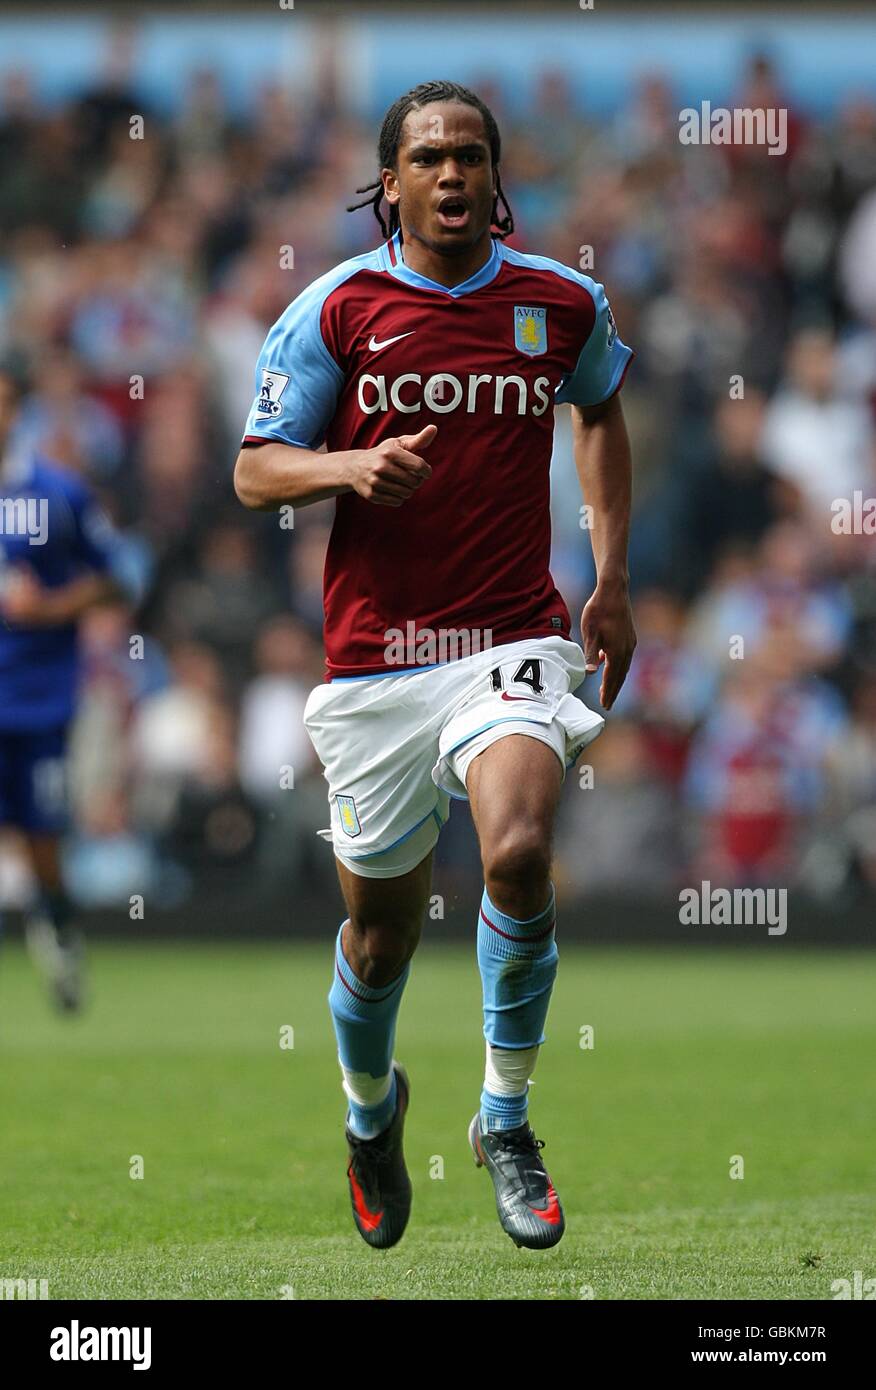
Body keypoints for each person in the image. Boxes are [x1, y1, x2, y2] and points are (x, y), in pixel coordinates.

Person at [234, 80, 637, 1251]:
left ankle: (505, 1119)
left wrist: (611, 578)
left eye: (470, 155)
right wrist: (349, 470)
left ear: (496, 176)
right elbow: (258, 468)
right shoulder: (338, 309)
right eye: (428, 158)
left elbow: (602, 410)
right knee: (381, 935)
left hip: (511, 638)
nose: (451, 175)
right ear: (391, 182)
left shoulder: (560, 303)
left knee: (516, 851)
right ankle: (371, 1116)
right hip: (375, 668)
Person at [0, 359, 131, 1010]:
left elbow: (116, 578)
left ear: (14, 411)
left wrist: (48, 607)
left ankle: (57, 926)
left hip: (36, 700)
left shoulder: (57, 493)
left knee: (41, 837)